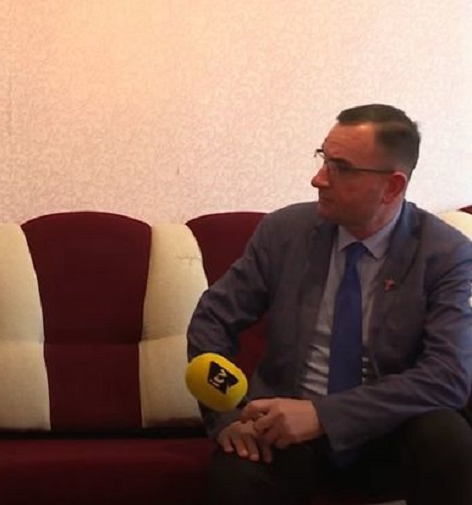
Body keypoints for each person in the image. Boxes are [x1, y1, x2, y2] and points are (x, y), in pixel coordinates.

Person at [188, 104, 472, 505]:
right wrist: (226, 416)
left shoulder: (444, 253)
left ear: (392, 187)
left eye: (341, 168)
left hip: (389, 426)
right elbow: (212, 319)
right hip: (284, 426)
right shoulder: (284, 232)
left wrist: (324, 415)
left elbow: (448, 375)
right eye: (324, 158)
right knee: (235, 474)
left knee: (449, 440)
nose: (318, 178)